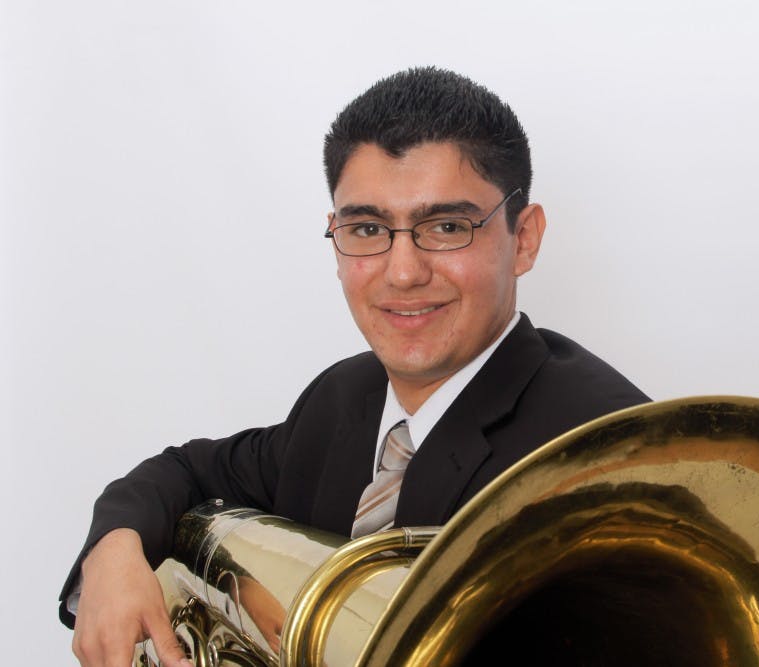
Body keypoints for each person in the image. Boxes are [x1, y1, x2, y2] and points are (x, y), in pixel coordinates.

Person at [61, 67, 650, 666]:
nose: (402, 272)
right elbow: (185, 471)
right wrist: (113, 551)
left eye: (446, 226)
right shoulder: (344, 397)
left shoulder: (608, 455)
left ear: (523, 238)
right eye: (367, 229)